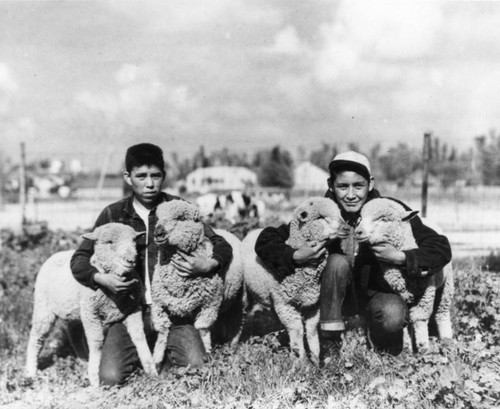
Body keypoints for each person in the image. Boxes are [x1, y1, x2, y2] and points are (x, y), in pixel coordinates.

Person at [255, 151, 452, 357]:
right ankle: (329, 343)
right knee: (337, 262)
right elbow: (267, 239)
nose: (351, 195)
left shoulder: (387, 210)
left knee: (393, 316)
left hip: (376, 291)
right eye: (342, 186)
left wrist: (401, 257)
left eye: (358, 186)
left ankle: (380, 340)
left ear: (370, 184)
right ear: (331, 185)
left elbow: (439, 246)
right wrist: (294, 255)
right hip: (333, 294)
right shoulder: (320, 212)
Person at [70, 143, 233, 386]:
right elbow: (79, 259)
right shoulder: (113, 214)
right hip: (128, 310)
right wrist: (101, 278)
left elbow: (221, 244)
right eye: (141, 176)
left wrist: (208, 264)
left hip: (174, 310)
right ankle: (139, 351)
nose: (149, 183)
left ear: (163, 176)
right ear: (127, 177)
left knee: (198, 371)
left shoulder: (178, 209)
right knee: (111, 378)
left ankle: (166, 351)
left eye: (155, 175)